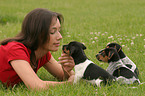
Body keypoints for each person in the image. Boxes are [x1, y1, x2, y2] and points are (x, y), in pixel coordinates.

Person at [0, 8, 75, 90]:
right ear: (37, 33)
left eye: (59, 31)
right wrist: (67, 84)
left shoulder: (42, 52)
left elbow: (64, 76)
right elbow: (36, 86)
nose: (60, 37)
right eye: (52, 32)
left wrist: (67, 70)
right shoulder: (15, 50)